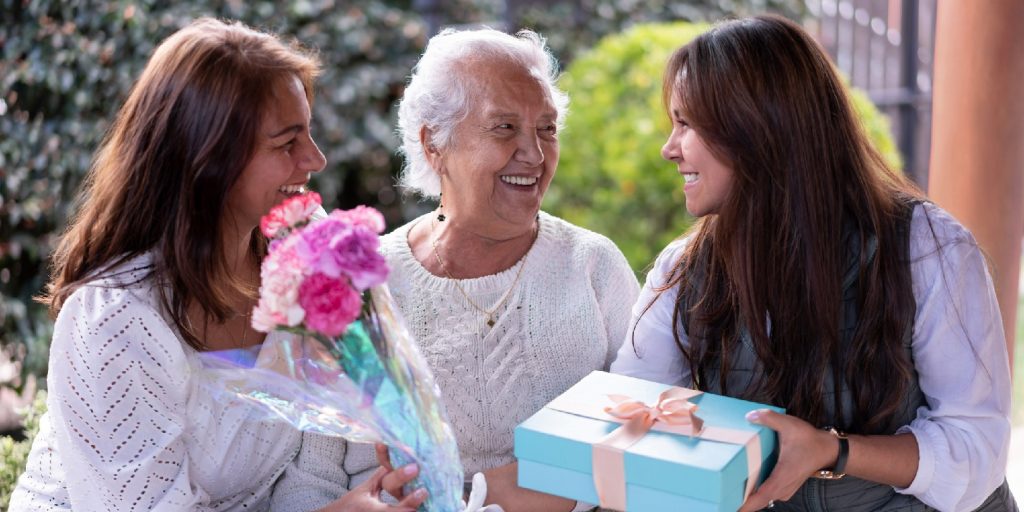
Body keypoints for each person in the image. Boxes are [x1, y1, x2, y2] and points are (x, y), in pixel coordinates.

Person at [10, 18, 424, 512]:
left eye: (307, 134)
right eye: (286, 143)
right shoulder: (116, 321)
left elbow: (315, 459)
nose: (315, 159)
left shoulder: (303, 246)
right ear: (207, 161)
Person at [611, 14, 1018, 512]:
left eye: (686, 123)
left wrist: (833, 450)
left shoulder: (926, 247)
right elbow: (633, 417)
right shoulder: (685, 268)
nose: (668, 149)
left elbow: (976, 453)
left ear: (755, 129)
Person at [271, 27, 640, 512]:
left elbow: (652, 446)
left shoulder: (593, 265)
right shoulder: (359, 286)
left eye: (546, 128)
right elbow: (306, 485)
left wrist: (489, 493)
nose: (534, 153)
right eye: (504, 127)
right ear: (434, 144)